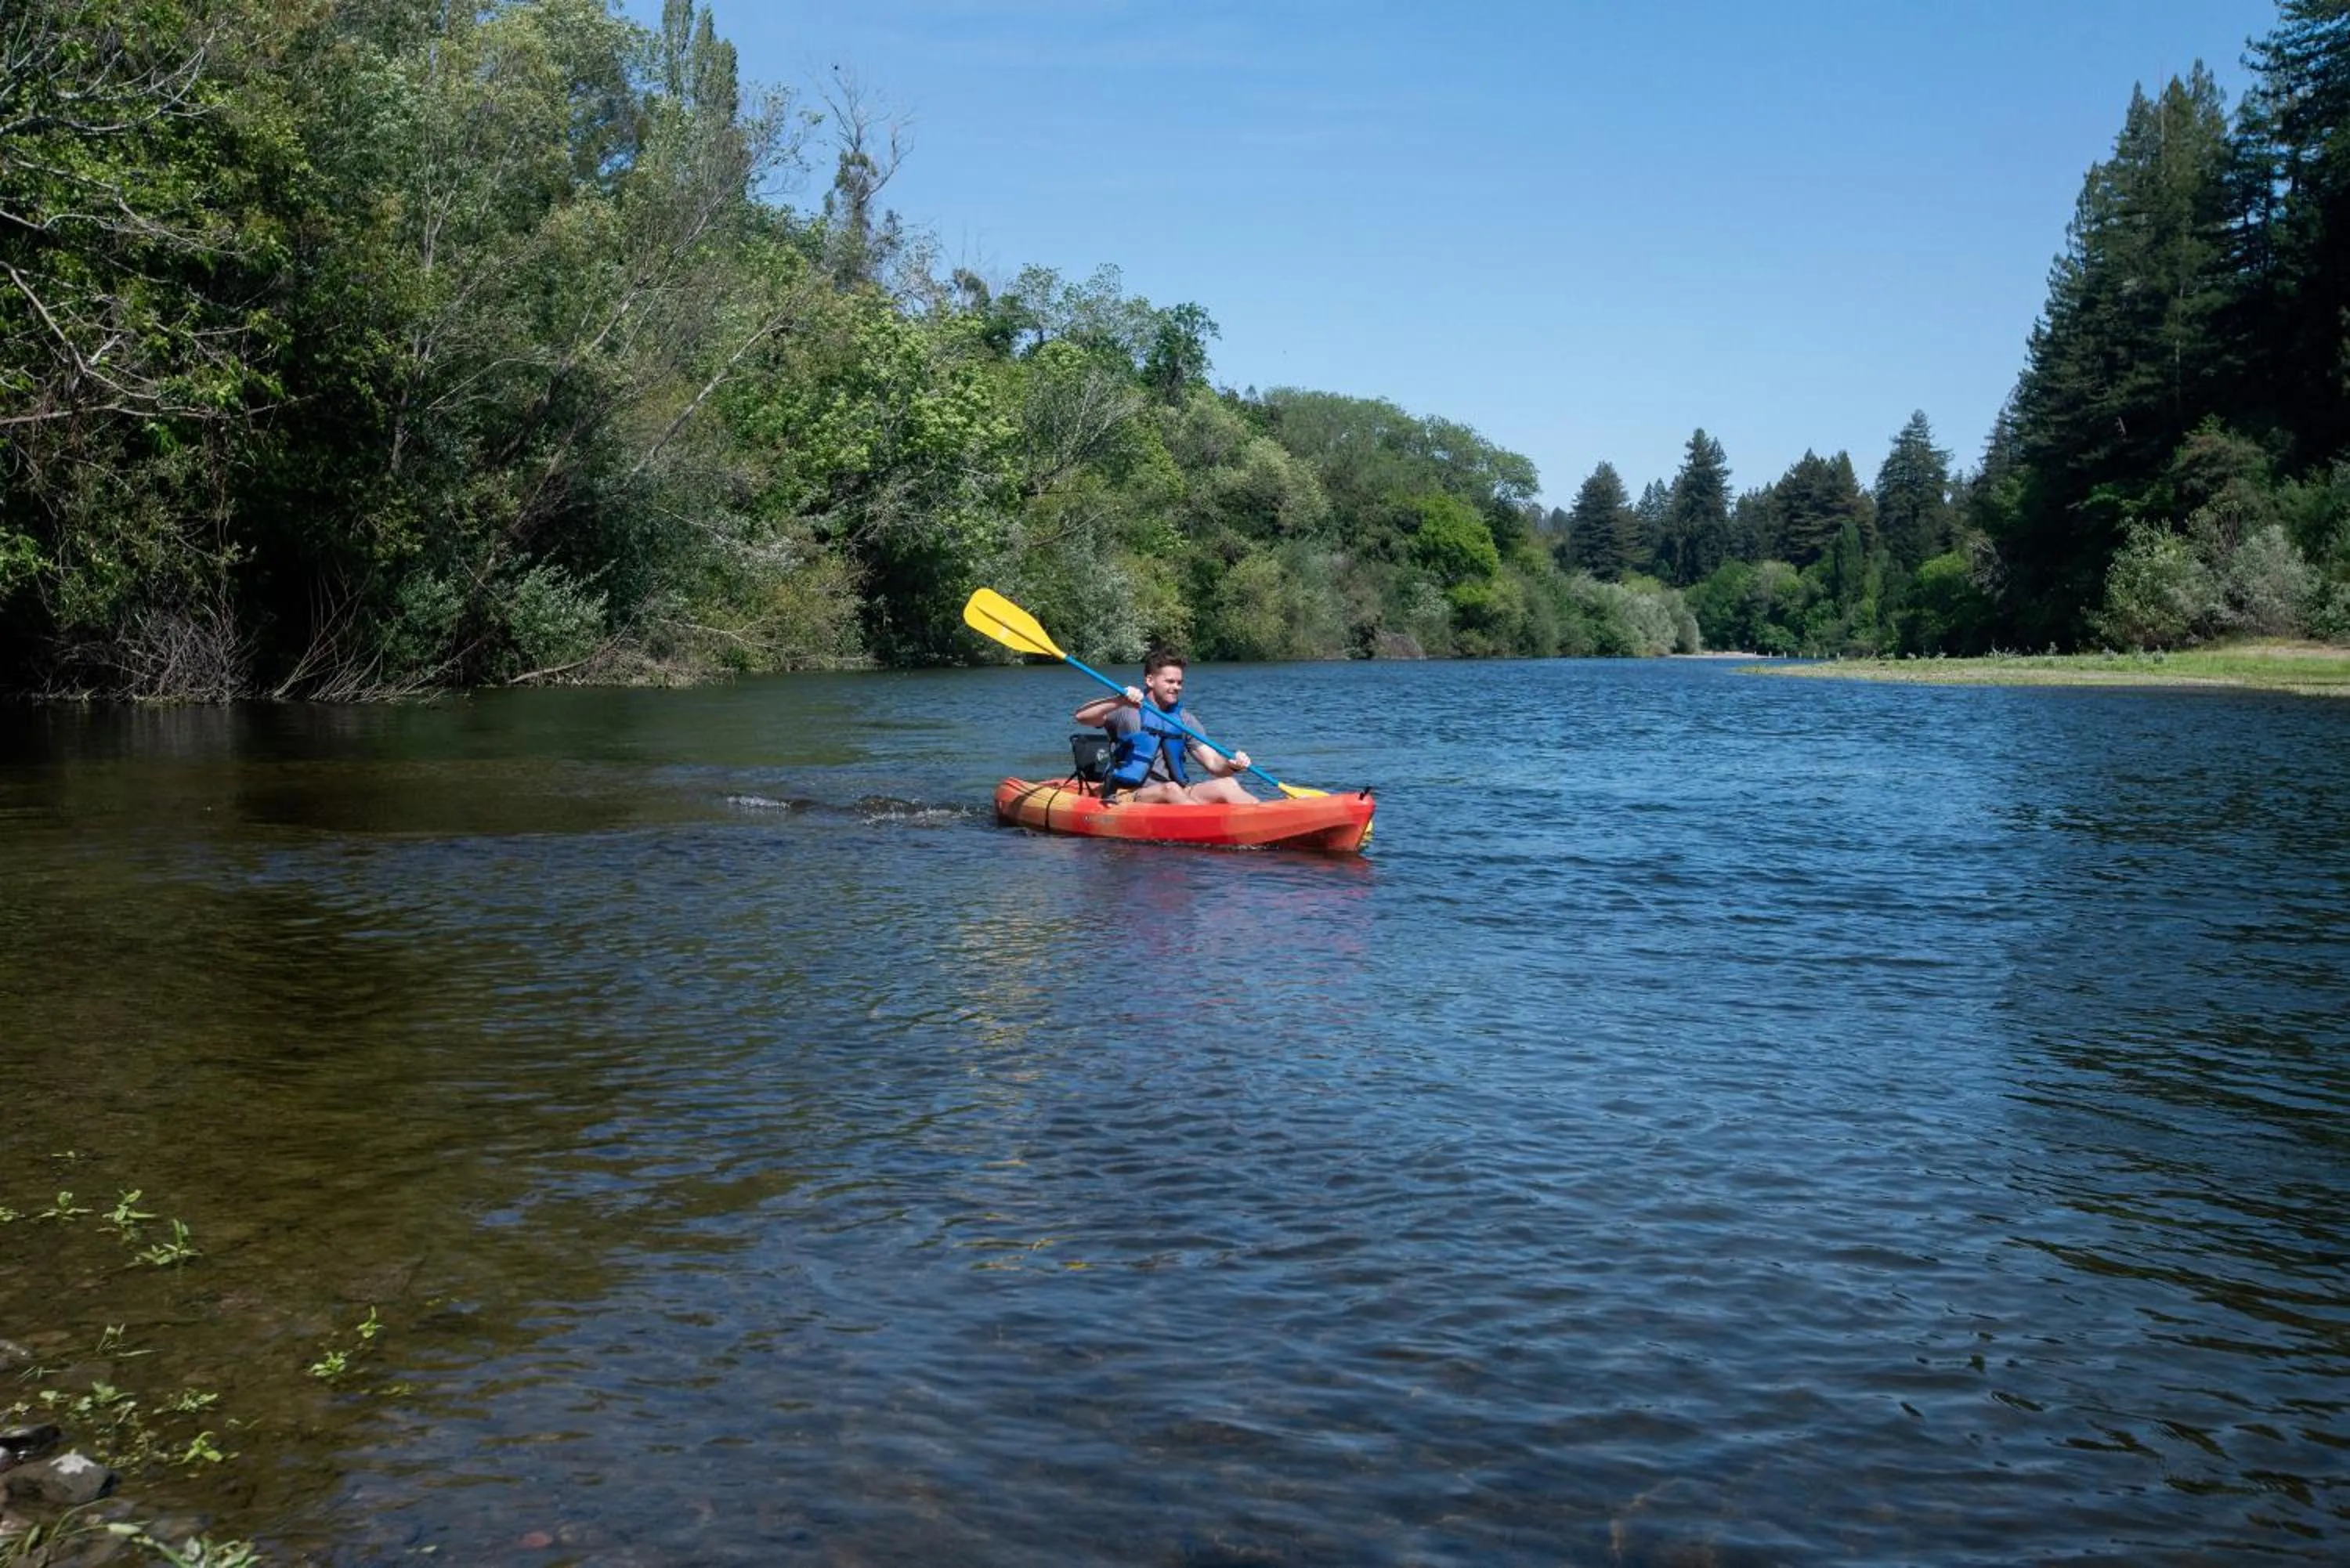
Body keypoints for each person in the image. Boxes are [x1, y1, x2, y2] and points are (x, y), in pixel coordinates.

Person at [1072, 649, 1256, 804]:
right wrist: (1118, 700)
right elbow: (1082, 717)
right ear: (1150, 681)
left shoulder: (1184, 720)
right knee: (1171, 789)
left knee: (1228, 784)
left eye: (1180, 682)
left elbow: (1214, 764)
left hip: (1175, 793)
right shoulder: (1126, 709)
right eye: (1170, 681)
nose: (1177, 687)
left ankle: (1266, 820)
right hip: (1128, 793)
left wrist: (1233, 765)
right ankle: (1212, 828)